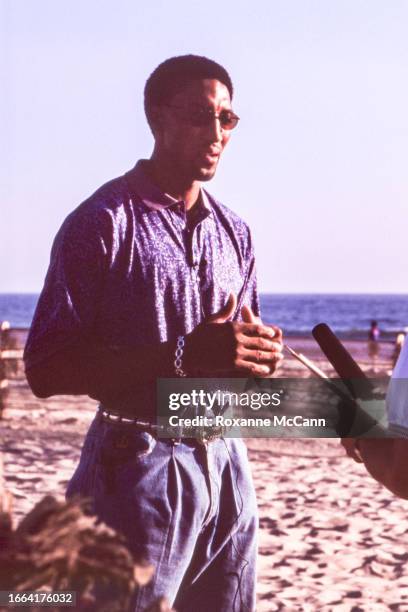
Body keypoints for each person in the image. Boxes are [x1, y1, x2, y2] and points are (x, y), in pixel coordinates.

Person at [23, 55, 283, 611]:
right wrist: (184, 354)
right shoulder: (103, 221)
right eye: (199, 115)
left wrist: (257, 357)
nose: (216, 133)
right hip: (134, 463)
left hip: (227, 463)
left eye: (228, 119)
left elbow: (234, 355)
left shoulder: (236, 232)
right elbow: (45, 368)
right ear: (155, 117)